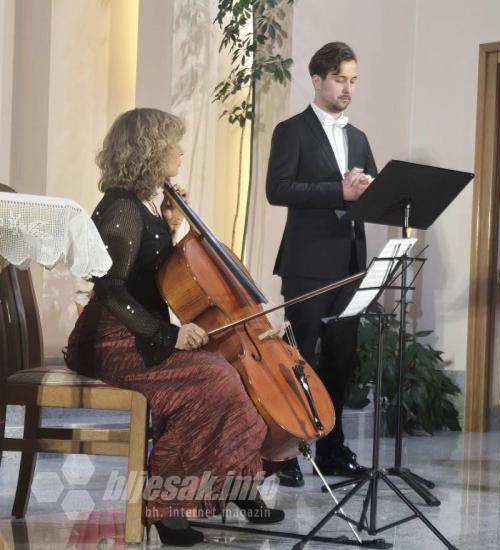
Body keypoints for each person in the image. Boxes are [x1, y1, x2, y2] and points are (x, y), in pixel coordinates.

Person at [65, 108, 283, 546]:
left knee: (228, 373)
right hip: (112, 338)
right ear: (149, 150)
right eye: (172, 144)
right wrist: (168, 335)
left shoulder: (144, 204)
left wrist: (169, 225)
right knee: (214, 380)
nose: (180, 151)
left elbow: (155, 274)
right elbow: (109, 288)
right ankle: (168, 509)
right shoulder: (121, 207)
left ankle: (235, 486)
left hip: (136, 331)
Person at [266, 41, 375, 487]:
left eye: (353, 80)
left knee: (340, 360)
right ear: (317, 80)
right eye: (340, 79)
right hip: (308, 262)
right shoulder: (292, 130)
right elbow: (279, 190)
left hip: (349, 263)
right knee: (299, 357)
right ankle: (286, 451)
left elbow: (369, 194)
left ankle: (332, 449)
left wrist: (367, 190)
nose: (348, 88)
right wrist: (339, 191)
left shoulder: (359, 137)